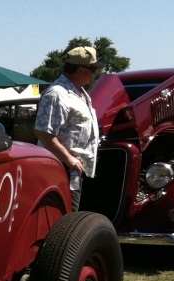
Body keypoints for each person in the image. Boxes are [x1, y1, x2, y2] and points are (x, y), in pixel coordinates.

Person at [33, 46, 103, 211]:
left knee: (73, 219)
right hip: (61, 170)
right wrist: (70, 160)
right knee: (65, 222)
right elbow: (44, 133)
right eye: (93, 69)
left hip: (74, 171)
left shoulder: (80, 93)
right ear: (80, 70)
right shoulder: (57, 94)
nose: (95, 74)